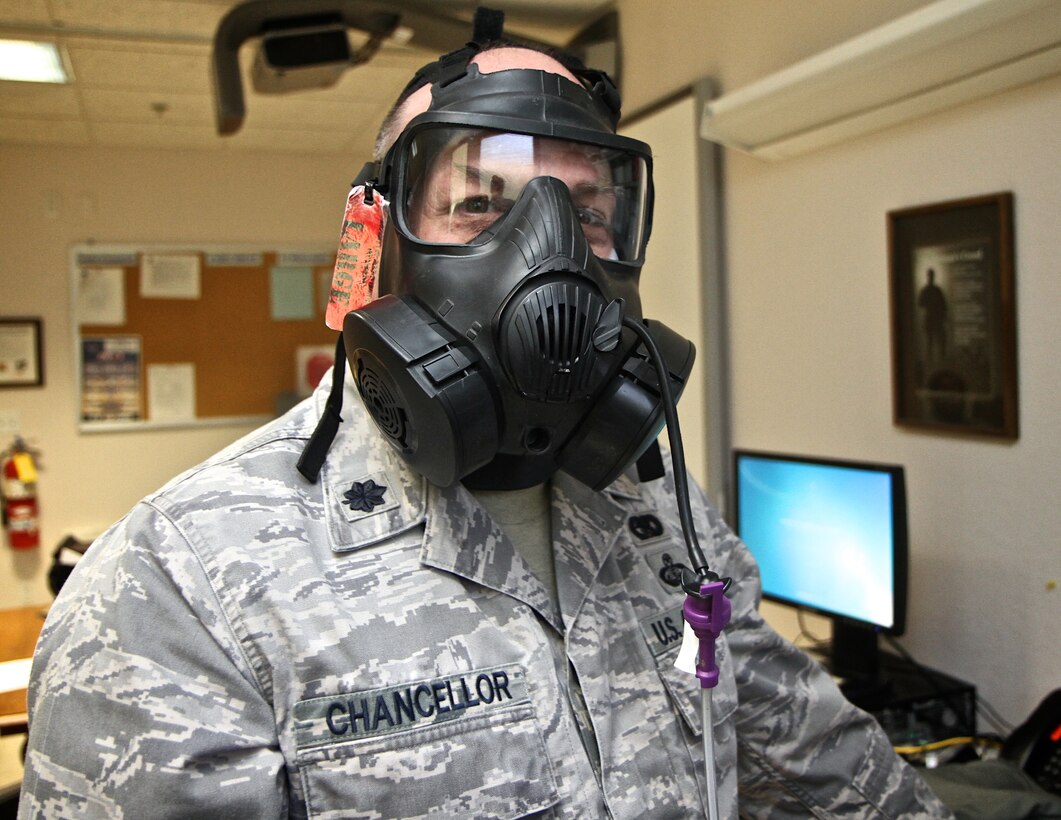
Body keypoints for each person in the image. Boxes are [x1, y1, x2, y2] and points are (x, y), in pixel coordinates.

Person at [19, 16, 953, 820]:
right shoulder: (176, 585)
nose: (548, 254)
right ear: (376, 237)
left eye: (587, 213)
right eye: (478, 202)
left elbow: (817, 760)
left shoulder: (653, 504)